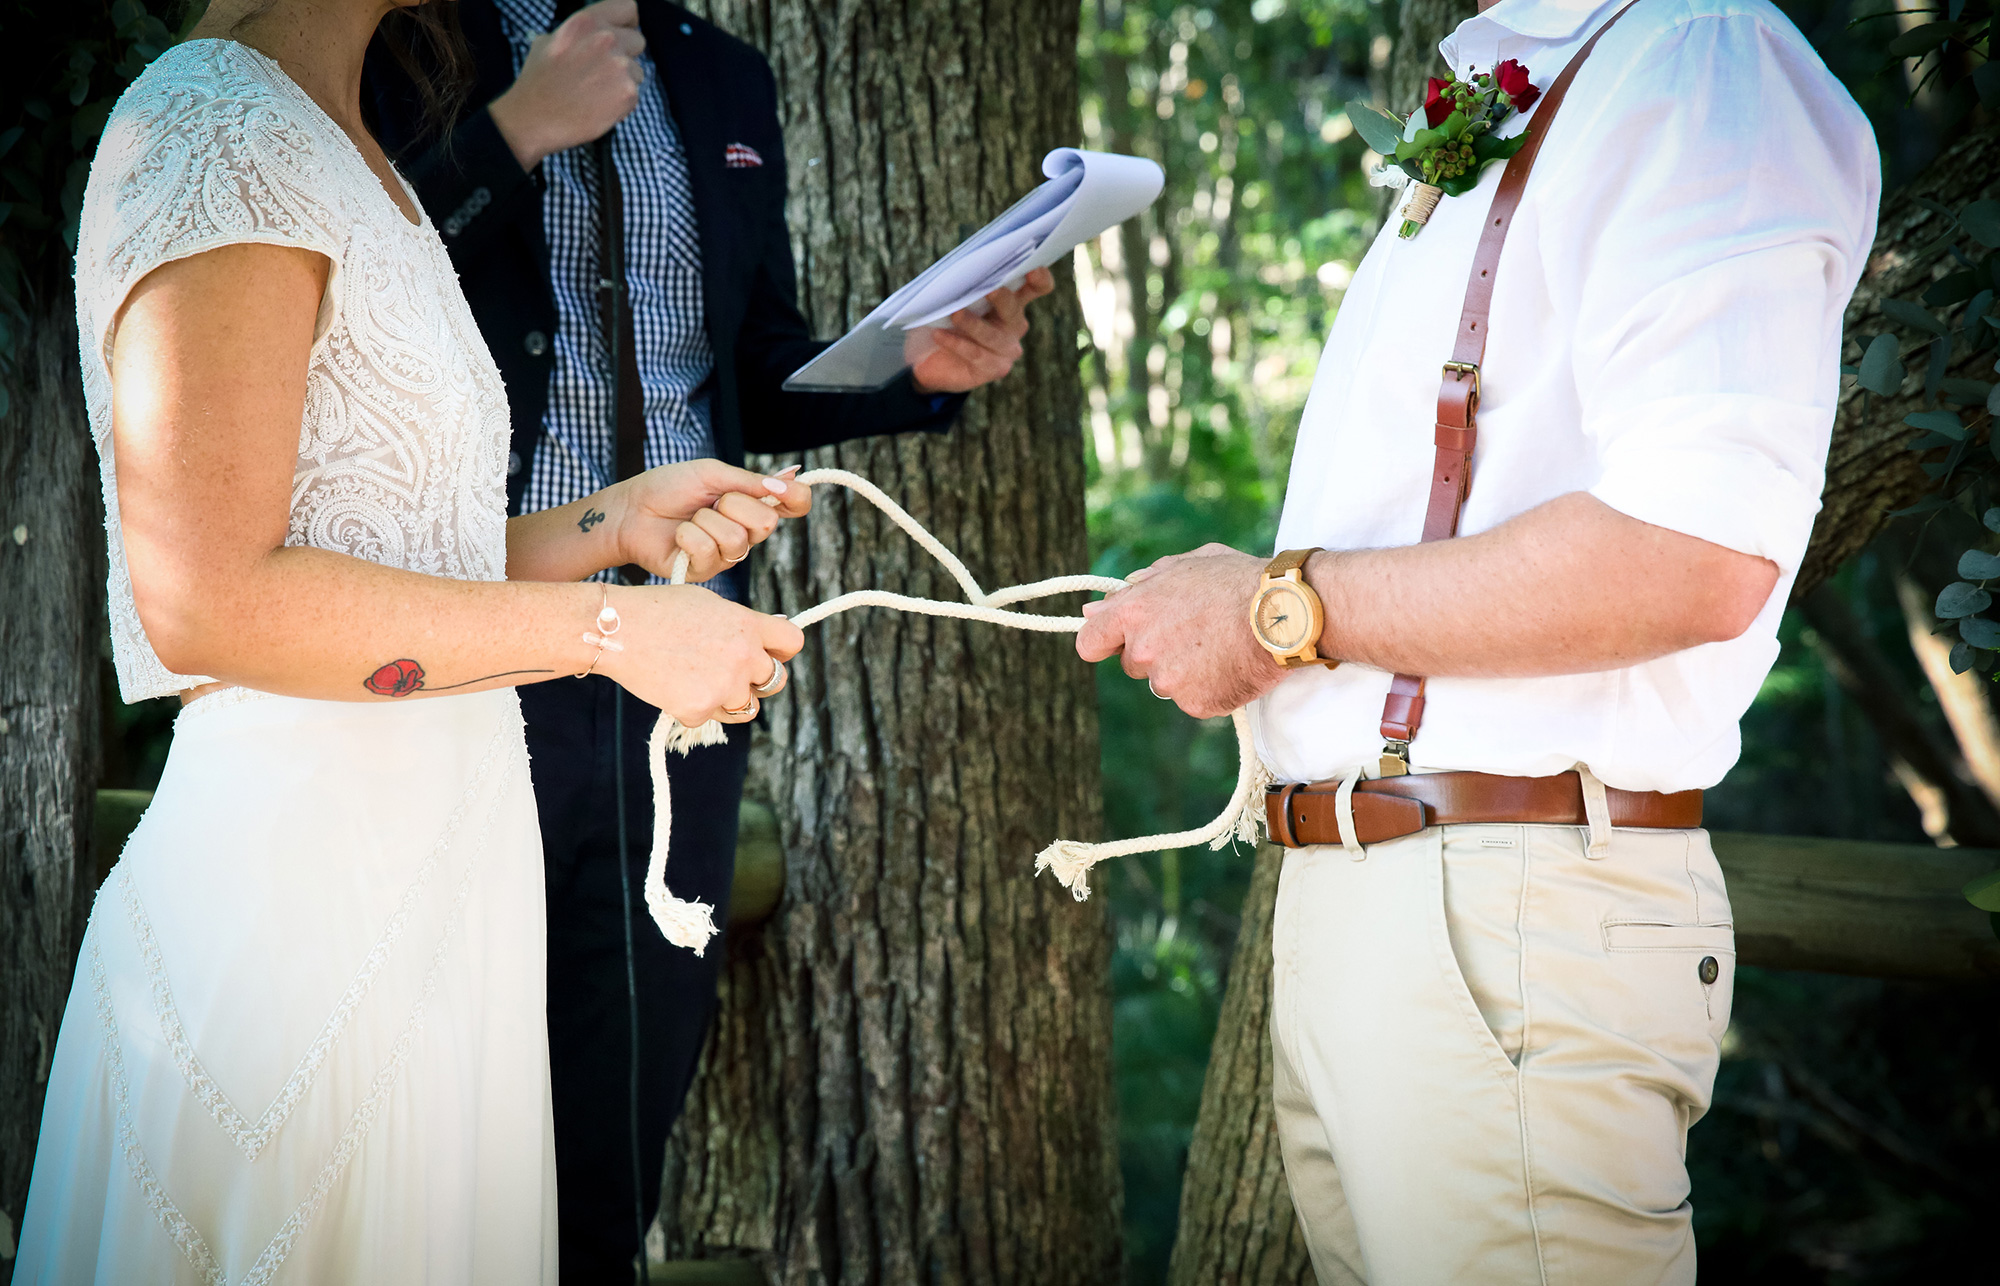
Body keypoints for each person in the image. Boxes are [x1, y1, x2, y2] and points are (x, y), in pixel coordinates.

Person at [1076, 0, 1877, 1281]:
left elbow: (1696, 551)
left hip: (1508, 904)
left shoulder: (1697, 57)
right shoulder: (1511, 62)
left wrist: (1276, 609)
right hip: (1382, 898)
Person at [14, 1, 814, 1280]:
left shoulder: (345, 140)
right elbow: (209, 597)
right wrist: (608, 632)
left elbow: (378, 542)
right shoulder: (213, 127)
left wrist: (610, 521)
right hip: (300, 913)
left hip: (442, 892)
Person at [360, 2, 1052, 1278]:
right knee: (435, 1095)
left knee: (623, 1102)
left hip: (680, 666)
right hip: (465, 642)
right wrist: (516, 130)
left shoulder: (725, 77)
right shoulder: (400, 36)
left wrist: (916, 369)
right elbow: (335, 290)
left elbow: (748, 370)